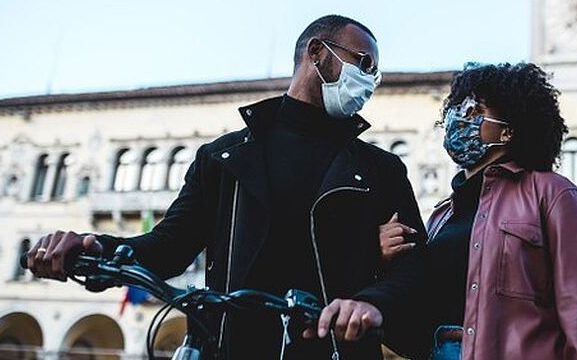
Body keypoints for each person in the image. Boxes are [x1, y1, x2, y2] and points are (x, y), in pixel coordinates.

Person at [26, 15, 427, 360]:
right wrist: (94, 248)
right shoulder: (222, 158)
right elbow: (168, 247)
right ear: (318, 53)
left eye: (375, 73)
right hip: (230, 345)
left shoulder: (380, 169)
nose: (370, 81)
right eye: (363, 63)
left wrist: (371, 303)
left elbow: (414, 266)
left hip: (335, 349)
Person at [382, 62, 577, 360]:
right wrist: (381, 257)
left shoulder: (554, 195)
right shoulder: (442, 215)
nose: (459, 118)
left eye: (474, 111)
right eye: (456, 109)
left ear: (508, 131)